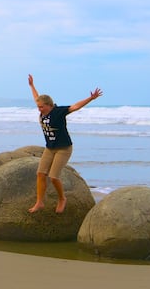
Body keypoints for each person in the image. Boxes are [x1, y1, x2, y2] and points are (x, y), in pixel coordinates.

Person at [27, 74, 102, 214]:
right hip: (50, 148)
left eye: (41, 107)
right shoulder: (42, 110)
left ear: (49, 105)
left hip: (63, 149)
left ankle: (62, 199)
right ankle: (39, 202)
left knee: (53, 176)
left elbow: (75, 107)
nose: (39, 109)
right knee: (40, 173)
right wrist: (32, 85)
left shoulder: (59, 112)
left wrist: (91, 98)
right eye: (38, 107)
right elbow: (37, 97)